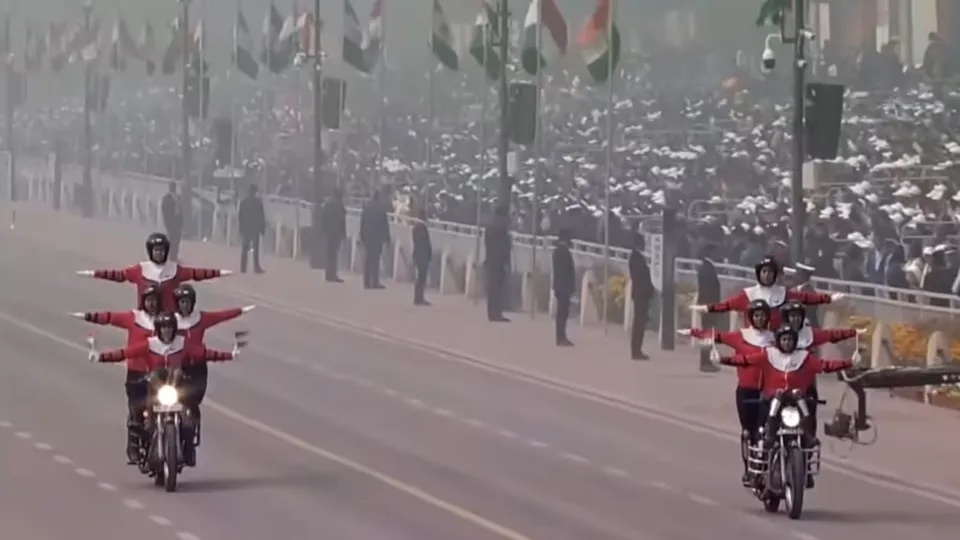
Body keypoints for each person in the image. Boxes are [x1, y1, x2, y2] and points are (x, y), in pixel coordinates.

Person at [88, 313, 239, 465]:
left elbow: (204, 353)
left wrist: (229, 355)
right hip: (155, 388)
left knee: (188, 421)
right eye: (163, 327)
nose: (167, 331)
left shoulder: (182, 343)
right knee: (141, 419)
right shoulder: (150, 344)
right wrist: (101, 357)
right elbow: (126, 353)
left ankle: (188, 452)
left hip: (175, 388)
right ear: (158, 329)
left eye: (170, 327)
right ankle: (140, 446)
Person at [681, 299, 773, 486]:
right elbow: (716, 336)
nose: (760, 318)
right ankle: (749, 468)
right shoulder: (741, 336)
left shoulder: (774, 338)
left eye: (763, 315)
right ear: (750, 318)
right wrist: (692, 332)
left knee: (767, 431)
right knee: (749, 432)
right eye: (756, 315)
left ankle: (772, 466)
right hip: (746, 391)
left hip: (768, 391)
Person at [172, 284, 254, 466]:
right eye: (181, 302)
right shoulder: (170, 321)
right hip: (175, 368)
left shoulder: (200, 319)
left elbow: (221, 316)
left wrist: (240, 311)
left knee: (190, 404)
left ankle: (189, 444)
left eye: (187, 302)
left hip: (197, 370)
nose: (184, 305)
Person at [75, 232, 232, 311]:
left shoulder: (175, 269)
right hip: (145, 319)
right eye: (156, 250)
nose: (159, 253)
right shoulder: (140, 269)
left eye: (162, 250)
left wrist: (220, 273)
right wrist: (94, 273)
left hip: (169, 323)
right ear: (151, 251)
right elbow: (118, 276)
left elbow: (198, 274)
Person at [691, 256, 841, 329]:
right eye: (764, 272)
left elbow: (805, 298)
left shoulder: (783, 293)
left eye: (770, 272)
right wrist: (706, 308)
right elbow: (726, 306)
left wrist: (828, 298)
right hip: (753, 342)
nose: (767, 276)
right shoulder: (749, 294)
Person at [69, 284, 163, 347]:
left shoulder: (166, 319)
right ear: (143, 302)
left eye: (154, 300)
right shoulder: (135, 317)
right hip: (137, 368)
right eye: (149, 300)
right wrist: (89, 316)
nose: (152, 304)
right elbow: (110, 318)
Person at [628, 232, 654, 360]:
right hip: (640, 294)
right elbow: (640, 278)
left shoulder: (637, 257)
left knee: (640, 323)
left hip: (641, 294)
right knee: (639, 323)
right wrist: (648, 289)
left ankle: (637, 349)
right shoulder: (636, 258)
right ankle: (636, 351)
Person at [485, 206, 511, 322]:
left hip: (491, 261)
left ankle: (492, 312)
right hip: (498, 262)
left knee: (492, 288)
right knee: (497, 288)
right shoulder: (500, 230)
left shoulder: (490, 228)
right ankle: (496, 313)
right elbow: (503, 248)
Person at [360, 190, 391, 289]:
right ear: (378, 197)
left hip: (367, 237)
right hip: (377, 238)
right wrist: (387, 239)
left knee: (368, 259)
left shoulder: (366, 208)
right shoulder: (381, 210)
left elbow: (362, 224)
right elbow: (384, 225)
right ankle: (375, 282)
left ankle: (366, 281)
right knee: (375, 260)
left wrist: (362, 236)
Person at [552, 228, 575, 346]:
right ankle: (561, 338)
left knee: (562, 313)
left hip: (559, 285)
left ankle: (561, 337)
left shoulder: (557, 251)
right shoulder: (563, 252)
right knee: (562, 313)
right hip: (564, 286)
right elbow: (567, 271)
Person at [238, 184, 266, 274]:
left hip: (246, 227)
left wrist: (240, 228)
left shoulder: (243, 202)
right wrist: (262, 228)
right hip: (255, 228)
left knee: (244, 248)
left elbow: (240, 216)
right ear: (255, 192)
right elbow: (261, 216)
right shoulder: (258, 202)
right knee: (255, 249)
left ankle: (243, 267)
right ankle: (256, 267)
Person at [321, 189, 346, 283]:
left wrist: (323, 230)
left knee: (329, 254)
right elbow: (342, 221)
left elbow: (323, 218)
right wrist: (344, 234)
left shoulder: (327, 204)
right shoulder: (339, 205)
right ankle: (333, 275)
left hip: (328, 232)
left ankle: (328, 275)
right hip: (336, 233)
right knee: (334, 255)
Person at [411, 208, 432, 306]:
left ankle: (418, 297)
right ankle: (419, 298)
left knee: (420, 277)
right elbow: (423, 244)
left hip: (418, 255)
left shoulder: (416, 227)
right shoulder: (421, 228)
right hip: (422, 256)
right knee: (421, 278)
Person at [160, 181, 183, 261]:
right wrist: (166, 222)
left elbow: (181, 210)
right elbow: (164, 211)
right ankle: (170, 256)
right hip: (170, 222)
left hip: (177, 222)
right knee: (172, 239)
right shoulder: (166, 198)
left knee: (177, 239)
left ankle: (174, 256)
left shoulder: (178, 197)